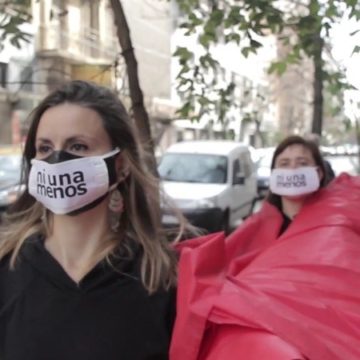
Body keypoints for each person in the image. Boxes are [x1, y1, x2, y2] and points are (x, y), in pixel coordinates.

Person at [0, 80, 184, 360]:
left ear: (120, 166)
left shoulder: (162, 279)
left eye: (78, 146)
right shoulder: (6, 268)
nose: (58, 160)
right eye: (45, 148)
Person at [170, 135, 360, 360]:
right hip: (267, 328)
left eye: (302, 163)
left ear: (318, 173)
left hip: (327, 326)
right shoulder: (257, 227)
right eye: (284, 164)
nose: (292, 170)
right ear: (273, 176)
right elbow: (224, 271)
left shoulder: (338, 217)